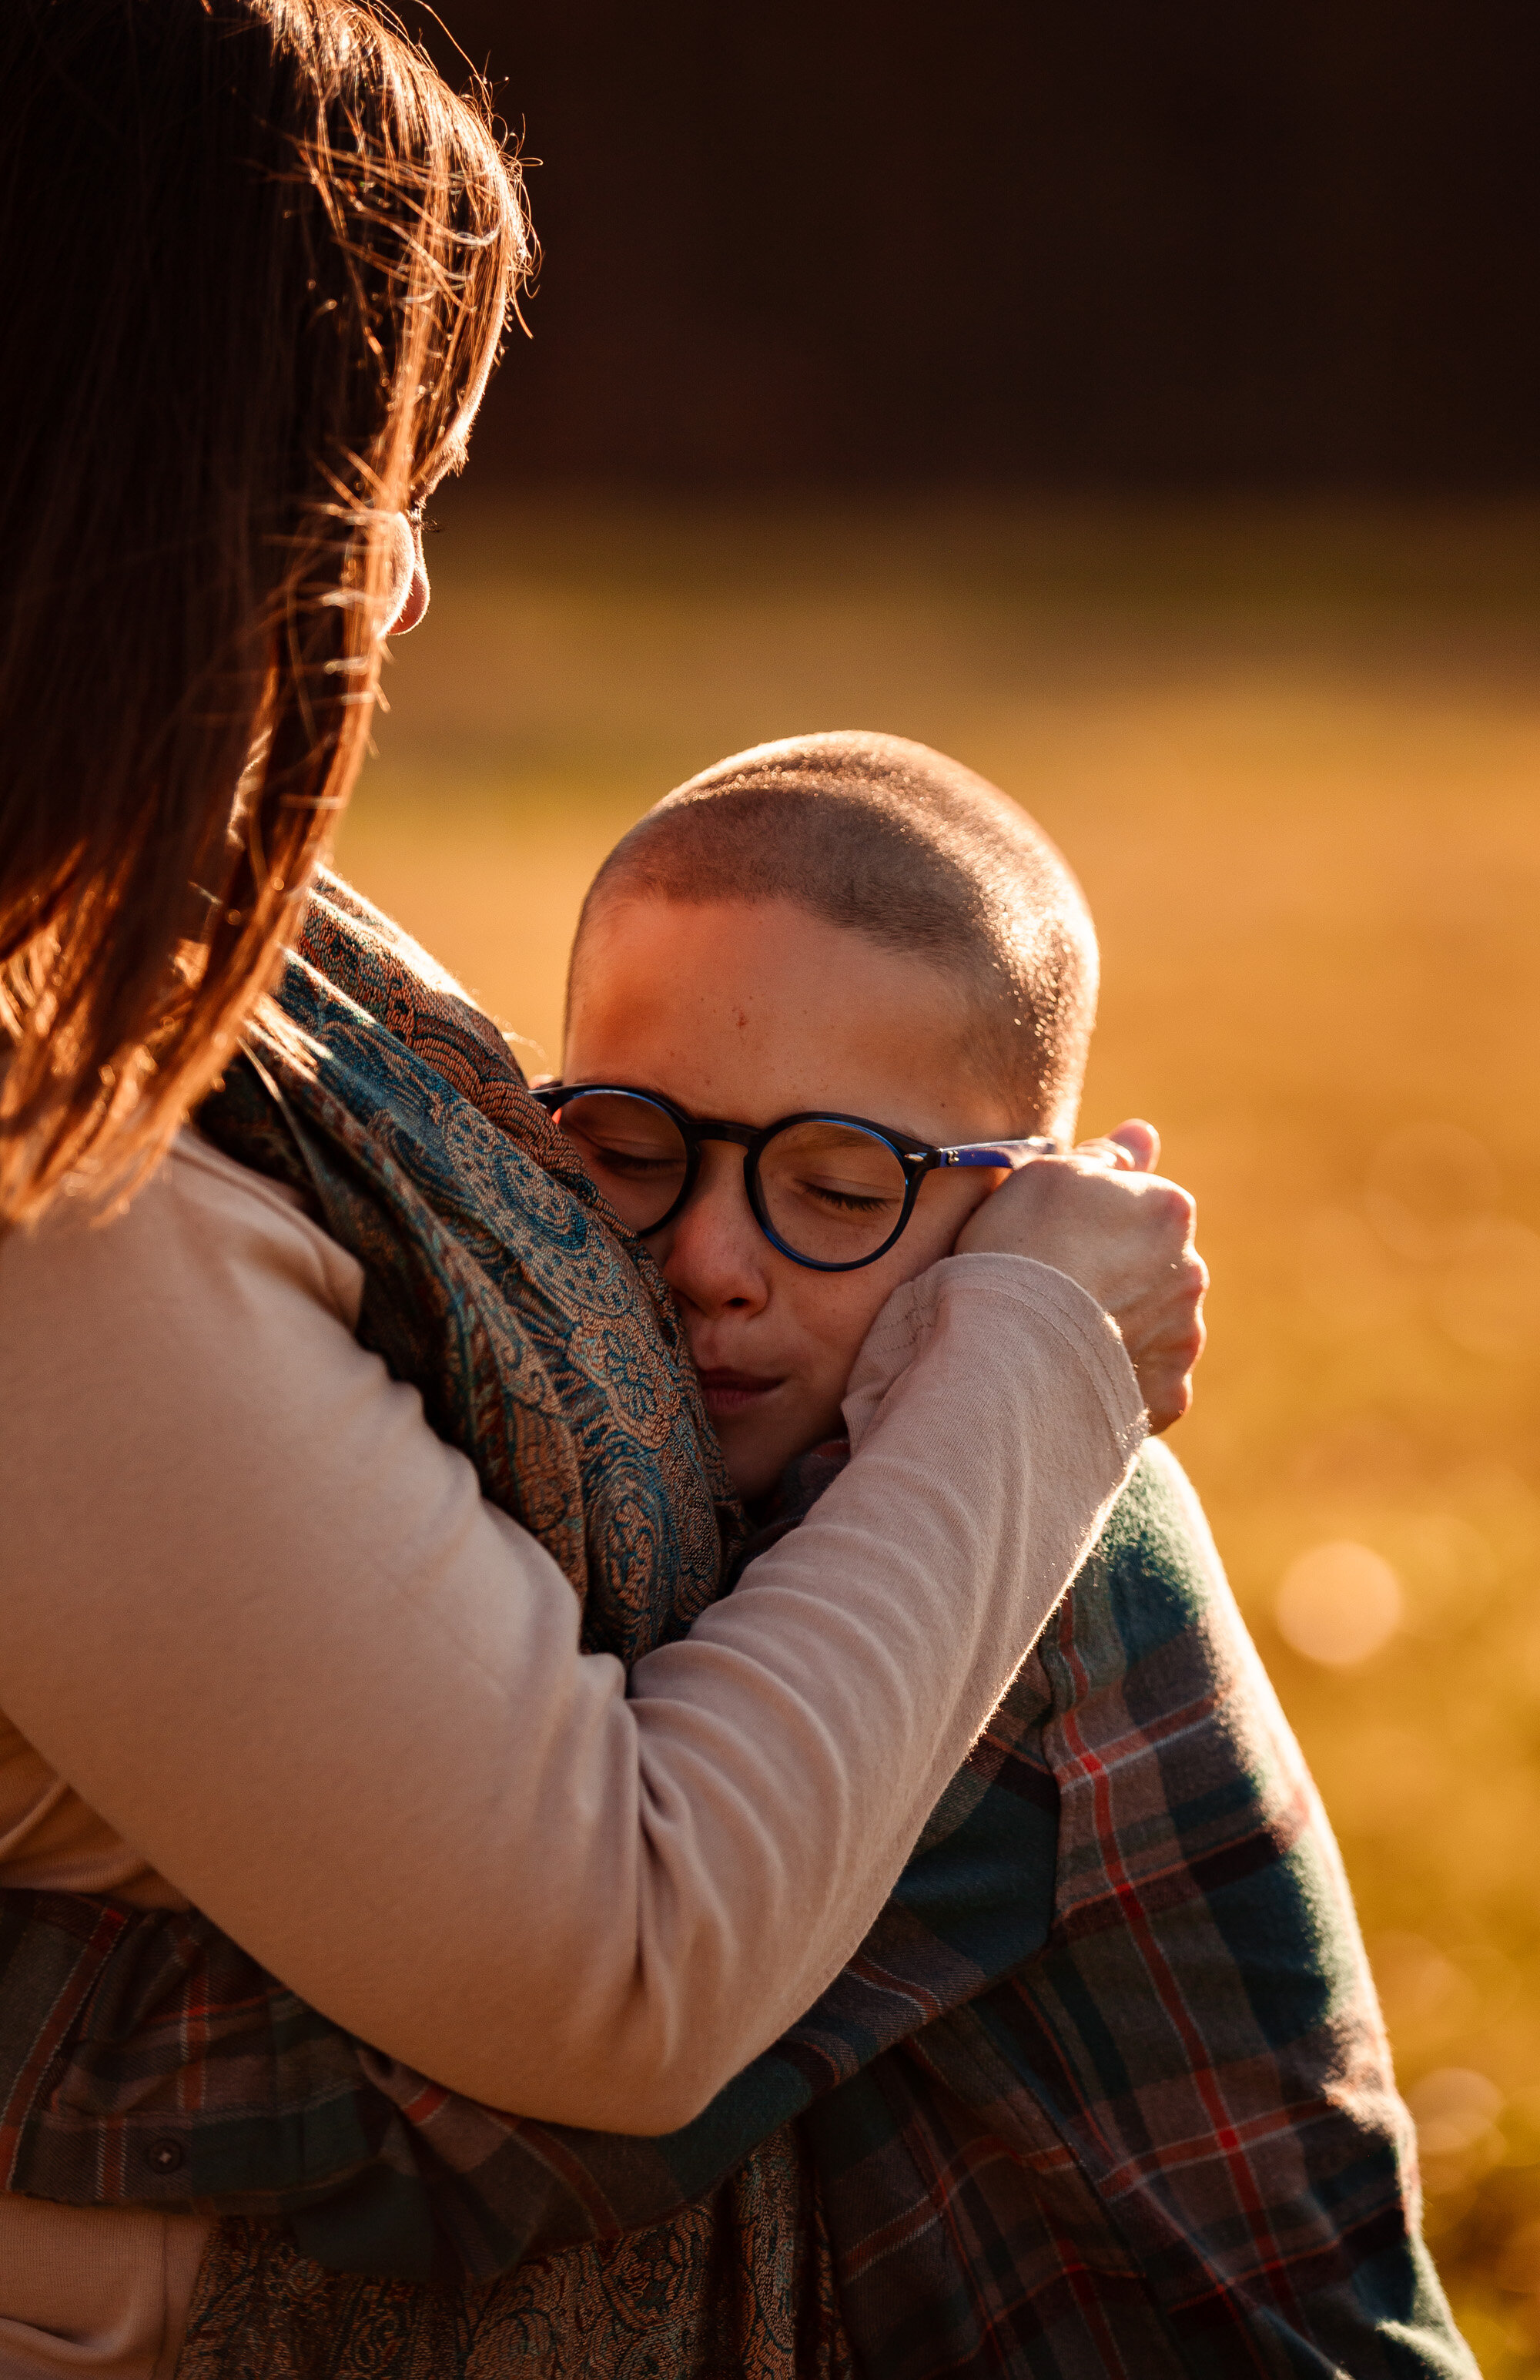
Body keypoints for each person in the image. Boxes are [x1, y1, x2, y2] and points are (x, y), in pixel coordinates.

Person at [0, 5, 1204, 2372]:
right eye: (379, 484)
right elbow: (626, 1961)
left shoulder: (186, 950)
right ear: (159, 469)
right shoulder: (58, 1174)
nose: (414, 593)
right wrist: (1041, 1355)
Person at [0, 736, 1475, 2379]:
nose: (708, 1260)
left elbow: (484, 2133)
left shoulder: (998, 1594)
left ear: (1028, 1216)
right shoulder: (695, 1504)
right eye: (627, 1155)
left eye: (838, 1189)